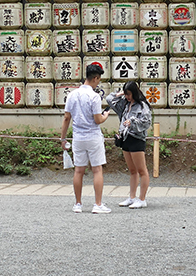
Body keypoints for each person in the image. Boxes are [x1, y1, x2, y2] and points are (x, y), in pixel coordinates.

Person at [60, 64, 112, 214]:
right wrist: (105, 116)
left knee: (78, 170)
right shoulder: (94, 96)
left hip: (78, 137)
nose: (98, 82)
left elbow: (66, 118)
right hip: (93, 136)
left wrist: (63, 138)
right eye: (98, 80)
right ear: (95, 78)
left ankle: (77, 204)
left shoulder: (72, 95)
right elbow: (97, 120)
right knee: (97, 170)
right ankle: (97, 204)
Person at [107, 81, 153, 209]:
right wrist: (120, 93)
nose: (127, 97)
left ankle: (142, 198)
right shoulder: (124, 104)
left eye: (129, 94)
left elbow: (146, 122)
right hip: (125, 138)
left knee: (141, 170)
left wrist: (132, 122)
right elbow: (109, 99)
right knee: (132, 170)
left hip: (137, 138)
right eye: (126, 94)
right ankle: (132, 197)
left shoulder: (142, 106)